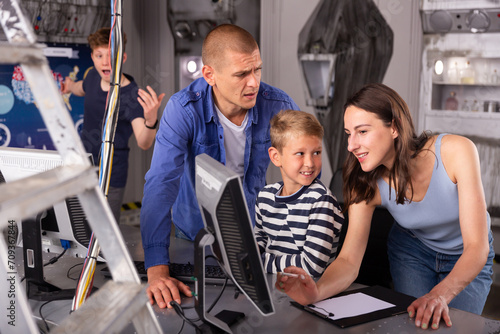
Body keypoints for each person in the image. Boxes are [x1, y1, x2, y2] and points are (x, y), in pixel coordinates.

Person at [277, 83, 494, 330]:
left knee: (453, 327)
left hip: (466, 252)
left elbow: (477, 246)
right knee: (415, 325)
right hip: (412, 251)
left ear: (395, 127)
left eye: (362, 131)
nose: (351, 145)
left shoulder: (456, 151)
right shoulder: (363, 181)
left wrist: (439, 294)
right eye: (349, 133)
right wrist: (317, 292)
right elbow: (348, 260)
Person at [140, 24, 299, 309]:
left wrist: (294, 244)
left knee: (252, 311)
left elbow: (305, 175)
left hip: (253, 236)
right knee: (198, 308)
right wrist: (157, 270)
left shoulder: (278, 105)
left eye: (257, 70)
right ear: (209, 75)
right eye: (241, 74)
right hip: (192, 235)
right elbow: (161, 184)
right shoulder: (183, 109)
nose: (254, 83)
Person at [61, 27, 165, 223]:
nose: (105, 62)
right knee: (79, 224)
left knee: (105, 228)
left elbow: (144, 142)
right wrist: (68, 86)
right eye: (99, 55)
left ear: (122, 58)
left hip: (111, 174)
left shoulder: (132, 94)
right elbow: (80, 88)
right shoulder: (92, 77)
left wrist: (151, 121)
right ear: (92, 57)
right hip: (84, 165)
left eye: (111, 56)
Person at [254, 109, 344, 277]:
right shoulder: (265, 197)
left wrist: (258, 263)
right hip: (272, 285)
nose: (310, 163)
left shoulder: (321, 201)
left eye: (316, 153)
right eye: (300, 154)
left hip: (310, 292)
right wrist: (249, 253)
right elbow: (261, 237)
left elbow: (311, 266)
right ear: (276, 157)